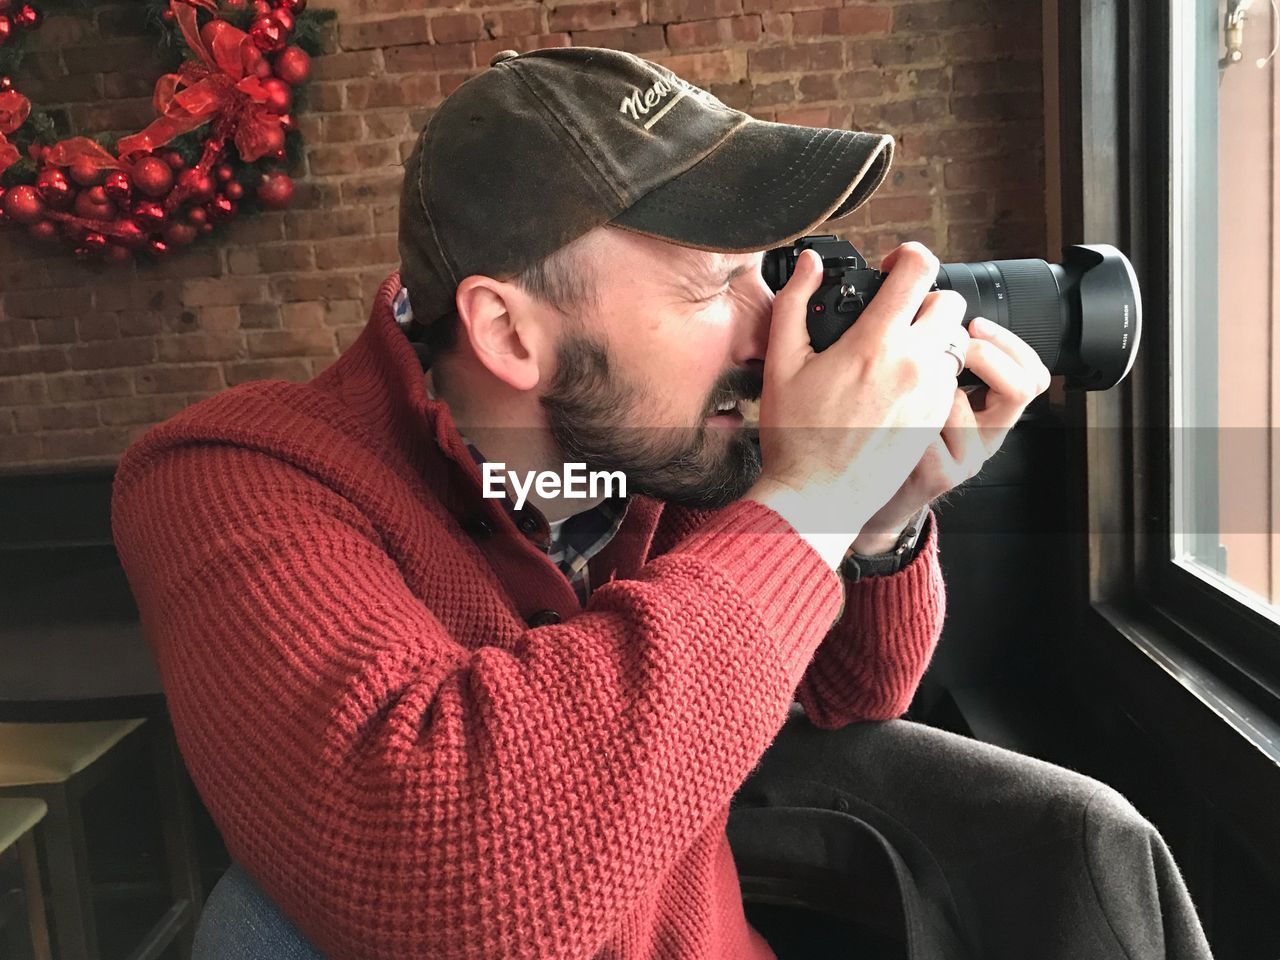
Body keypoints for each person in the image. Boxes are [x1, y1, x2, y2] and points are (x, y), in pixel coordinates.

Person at [113, 47, 1208, 960]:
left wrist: (876, 520)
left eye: (766, 265)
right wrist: (809, 501)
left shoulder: (660, 447)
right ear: (507, 334)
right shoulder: (233, 477)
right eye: (709, 282)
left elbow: (850, 695)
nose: (765, 318)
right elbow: (453, 872)